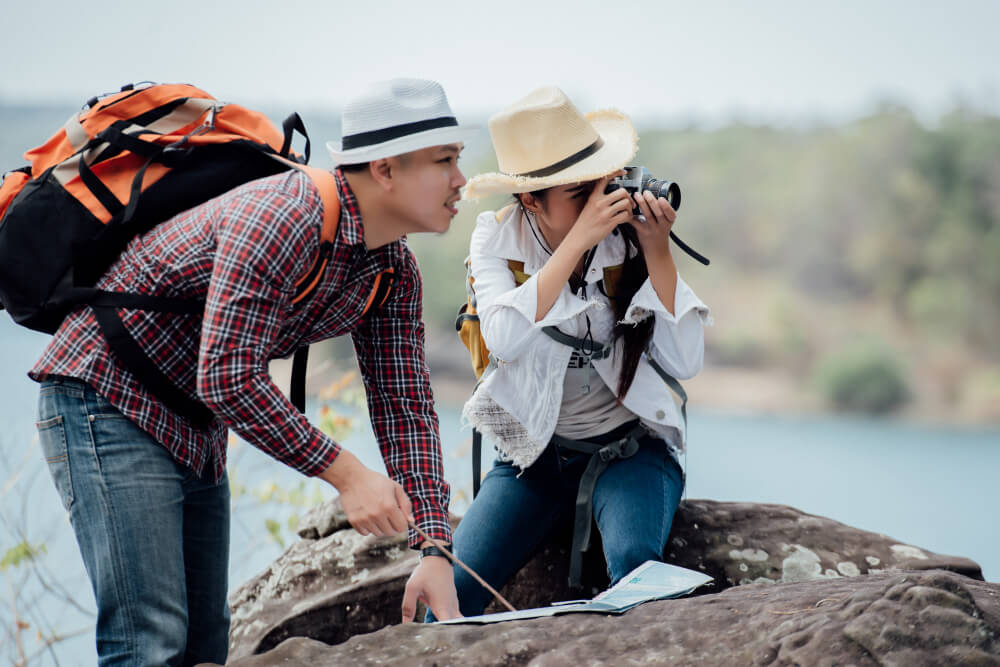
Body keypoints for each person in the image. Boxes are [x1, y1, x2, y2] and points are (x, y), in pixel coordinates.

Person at [30, 78, 473, 665]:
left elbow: (406, 406)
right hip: (105, 395)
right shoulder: (281, 217)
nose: (461, 181)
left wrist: (434, 548)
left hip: (193, 419)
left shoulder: (392, 269)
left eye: (458, 161)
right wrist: (347, 475)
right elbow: (227, 375)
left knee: (207, 645)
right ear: (385, 170)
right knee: (150, 643)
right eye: (444, 162)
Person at [437, 86, 710, 618]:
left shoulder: (628, 238)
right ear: (529, 199)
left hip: (629, 451)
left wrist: (657, 251)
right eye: (578, 193)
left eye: (600, 185)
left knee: (637, 570)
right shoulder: (496, 240)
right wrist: (576, 244)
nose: (597, 202)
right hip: (532, 457)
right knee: (452, 594)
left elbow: (685, 363)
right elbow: (504, 337)